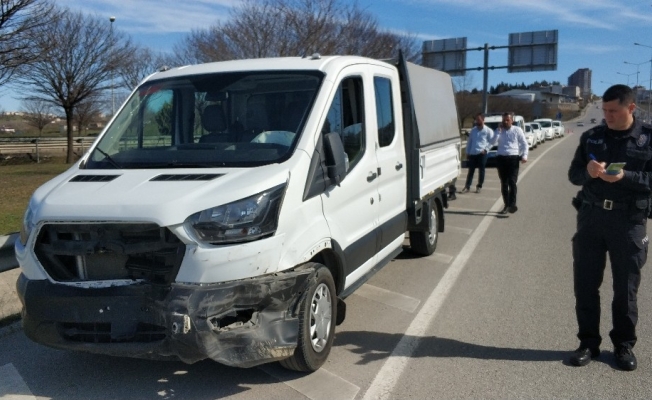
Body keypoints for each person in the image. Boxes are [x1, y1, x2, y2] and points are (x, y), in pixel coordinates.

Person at [567, 84, 652, 371]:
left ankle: (623, 345)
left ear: (631, 108)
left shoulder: (648, 138)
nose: (608, 116)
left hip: (628, 221)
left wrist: (625, 176)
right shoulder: (592, 137)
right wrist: (587, 172)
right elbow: (574, 174)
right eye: (604, 110)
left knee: (625, 288)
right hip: (591, 218)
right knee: (585, 284)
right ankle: (588, 343)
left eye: (613, 111)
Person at [493, 112, 528, 214]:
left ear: (512, 121)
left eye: (507, 120)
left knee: (512, 182)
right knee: (504, 183)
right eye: (504, 120)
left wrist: (524, 155)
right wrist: (498, 132)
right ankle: (506, 205)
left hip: (513, 158)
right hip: (501, 158)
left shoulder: (517, 130)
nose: (505, 122)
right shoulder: (498, 130)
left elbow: (524, 144)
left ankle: (512, 205)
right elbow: (493, 142)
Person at [461, 113, 494, 194]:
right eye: (476, 120)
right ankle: (467, 186)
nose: (477, 121)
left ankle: (479, 186)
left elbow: (492, 142)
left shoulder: (488, 131)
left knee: (481, 170)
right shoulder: (473, 130)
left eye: (479, 120)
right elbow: (470, 142)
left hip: (482, 153)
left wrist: (486, 149)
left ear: (483, 120)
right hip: (473, 153)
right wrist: (467, 152)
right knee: (471, 171)